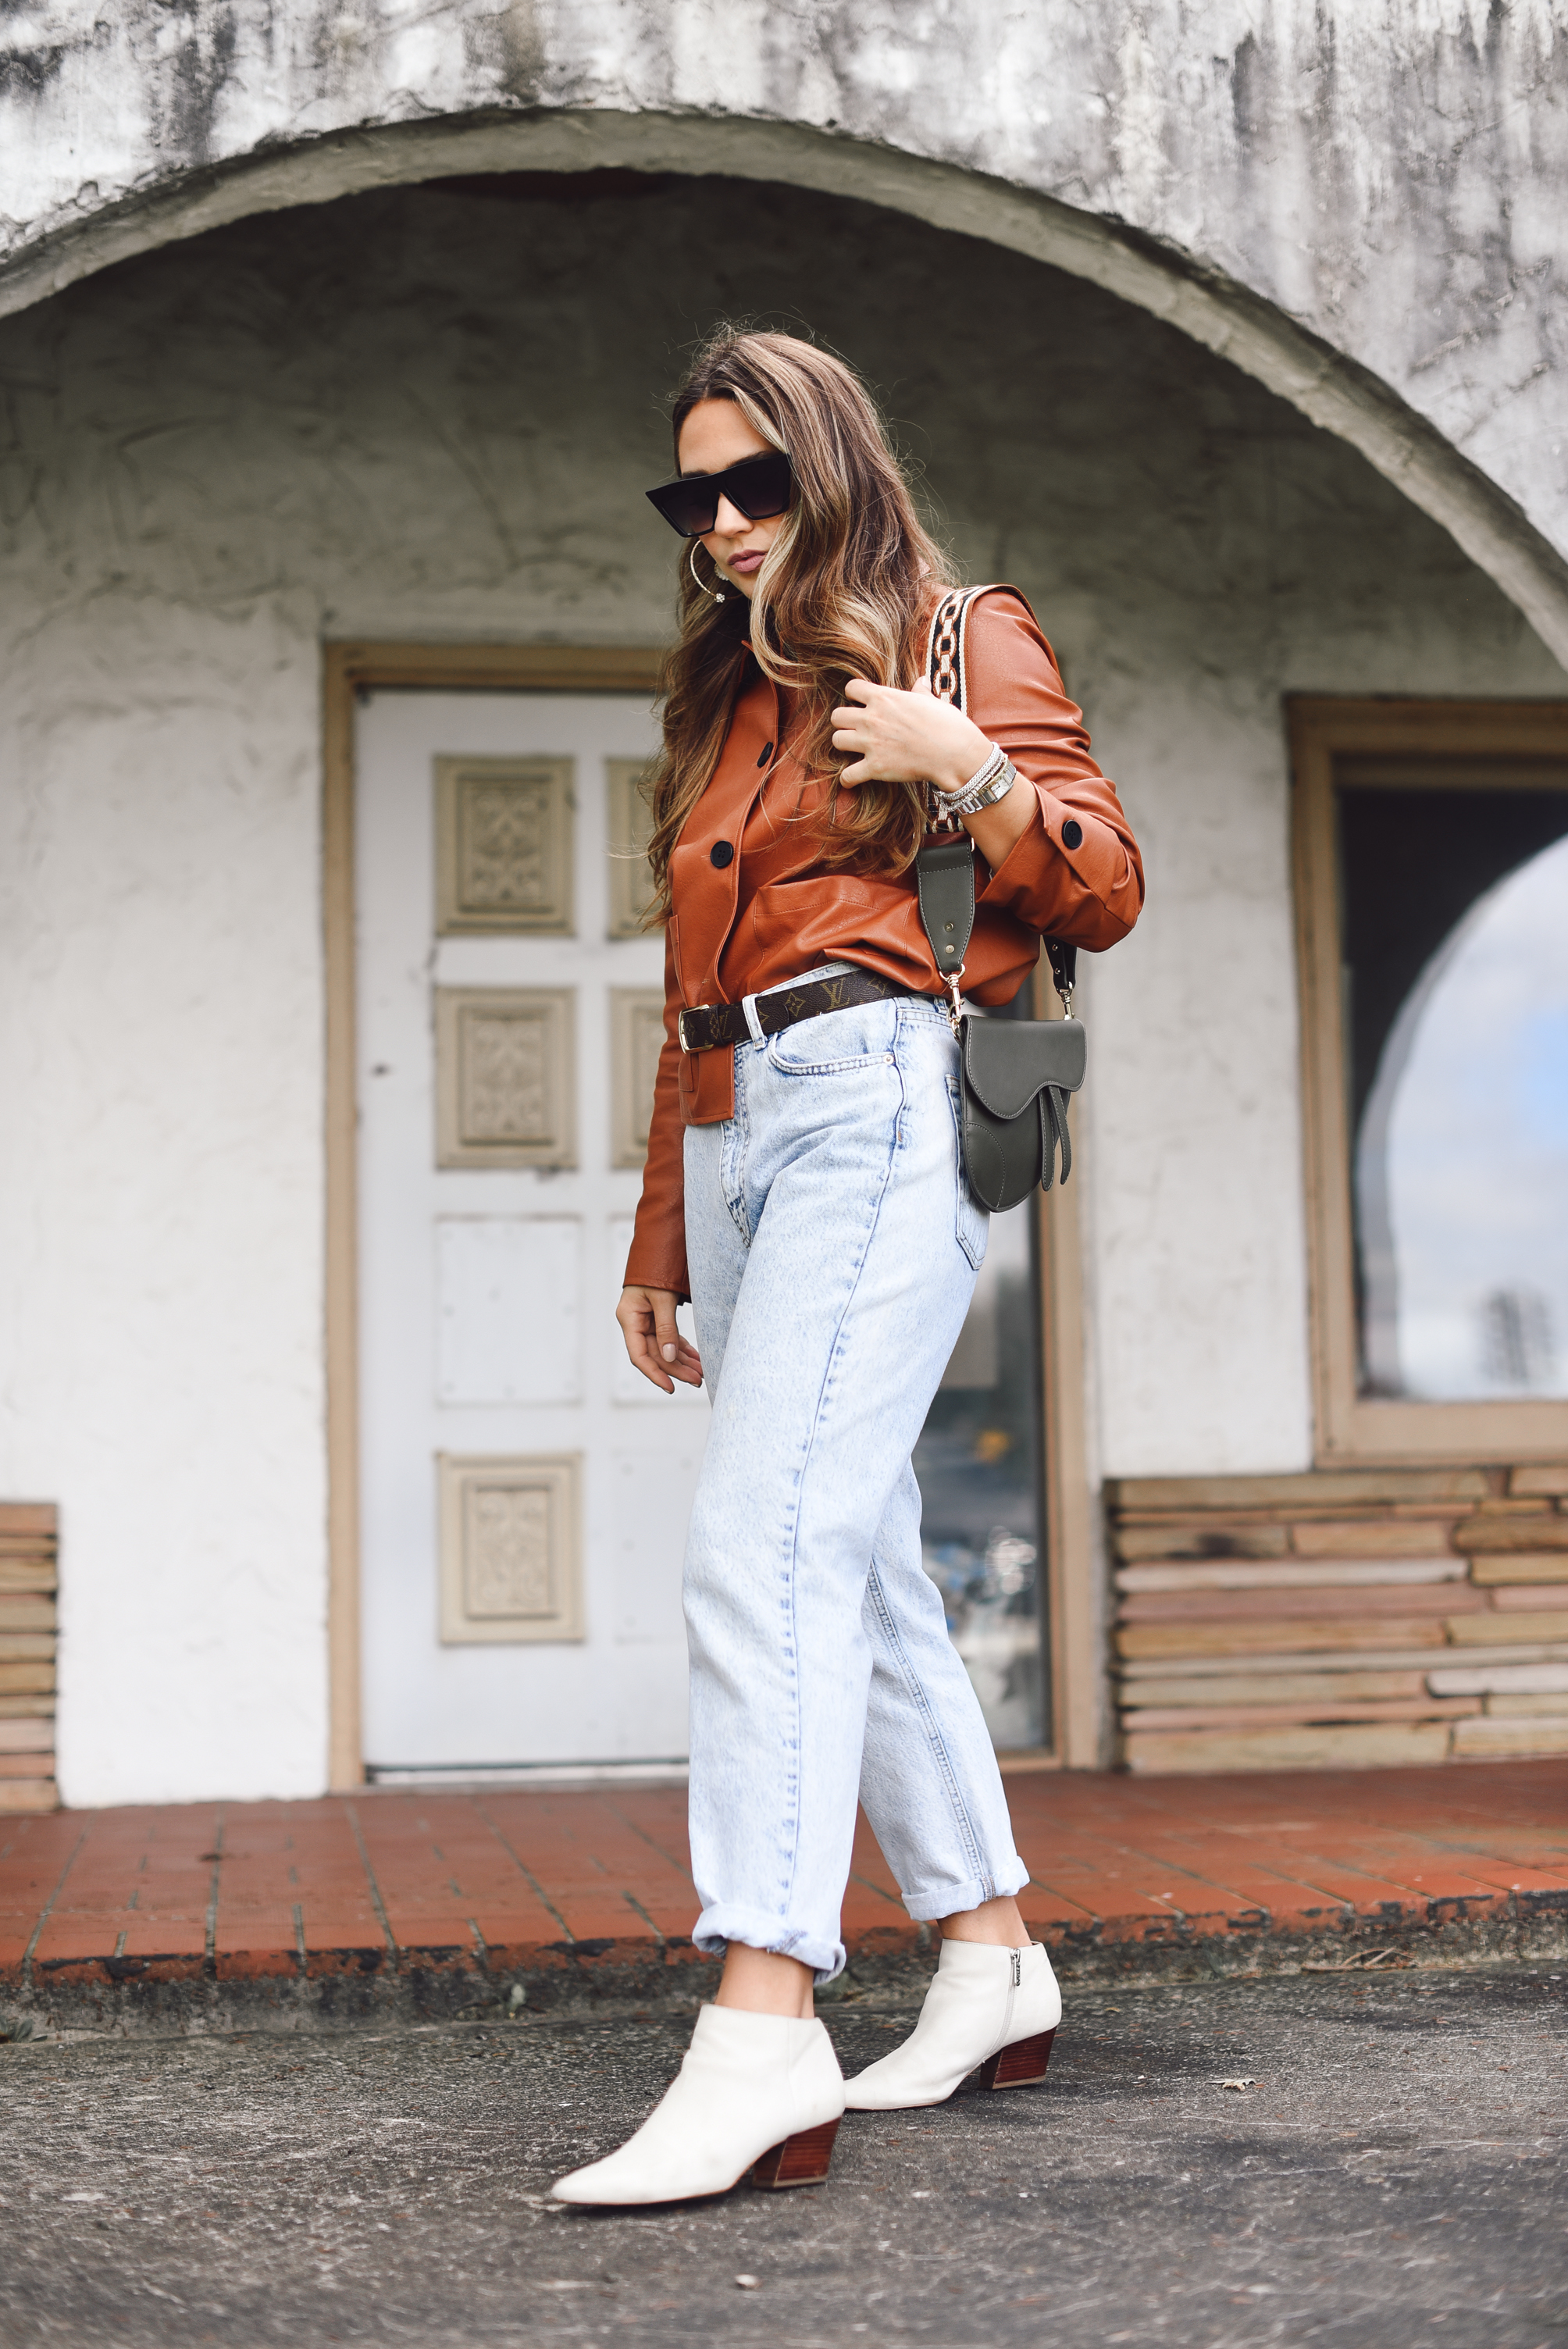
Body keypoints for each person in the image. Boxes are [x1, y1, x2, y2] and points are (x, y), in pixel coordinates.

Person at [552, 329, 1142, 2207]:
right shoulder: (728, 696)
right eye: (691, 496)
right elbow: (690, 997)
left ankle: (762, 2018)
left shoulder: (965, 630)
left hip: (878, 1099)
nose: (723, 523)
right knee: (856, 1552)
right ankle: (985, 1952)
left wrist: (964, 768)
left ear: (834, 468)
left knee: (762, 1542)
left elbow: (1104, 882)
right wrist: (661, 1232)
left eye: (756, 484)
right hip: (736, 1128)